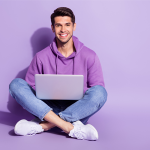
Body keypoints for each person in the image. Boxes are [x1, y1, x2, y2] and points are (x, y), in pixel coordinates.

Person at [9, 7, 107, 141]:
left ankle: (43, 126)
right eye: (58, 25)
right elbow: (30, 88)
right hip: (47, 108)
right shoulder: (41, 56)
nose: (63, 30)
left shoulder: (90, 56)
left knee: (101, 92)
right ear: (53, 28)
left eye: (67, 25)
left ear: (74, 26)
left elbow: (97, 90)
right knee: (16, 85)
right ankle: (70, 128)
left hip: (78, 109)